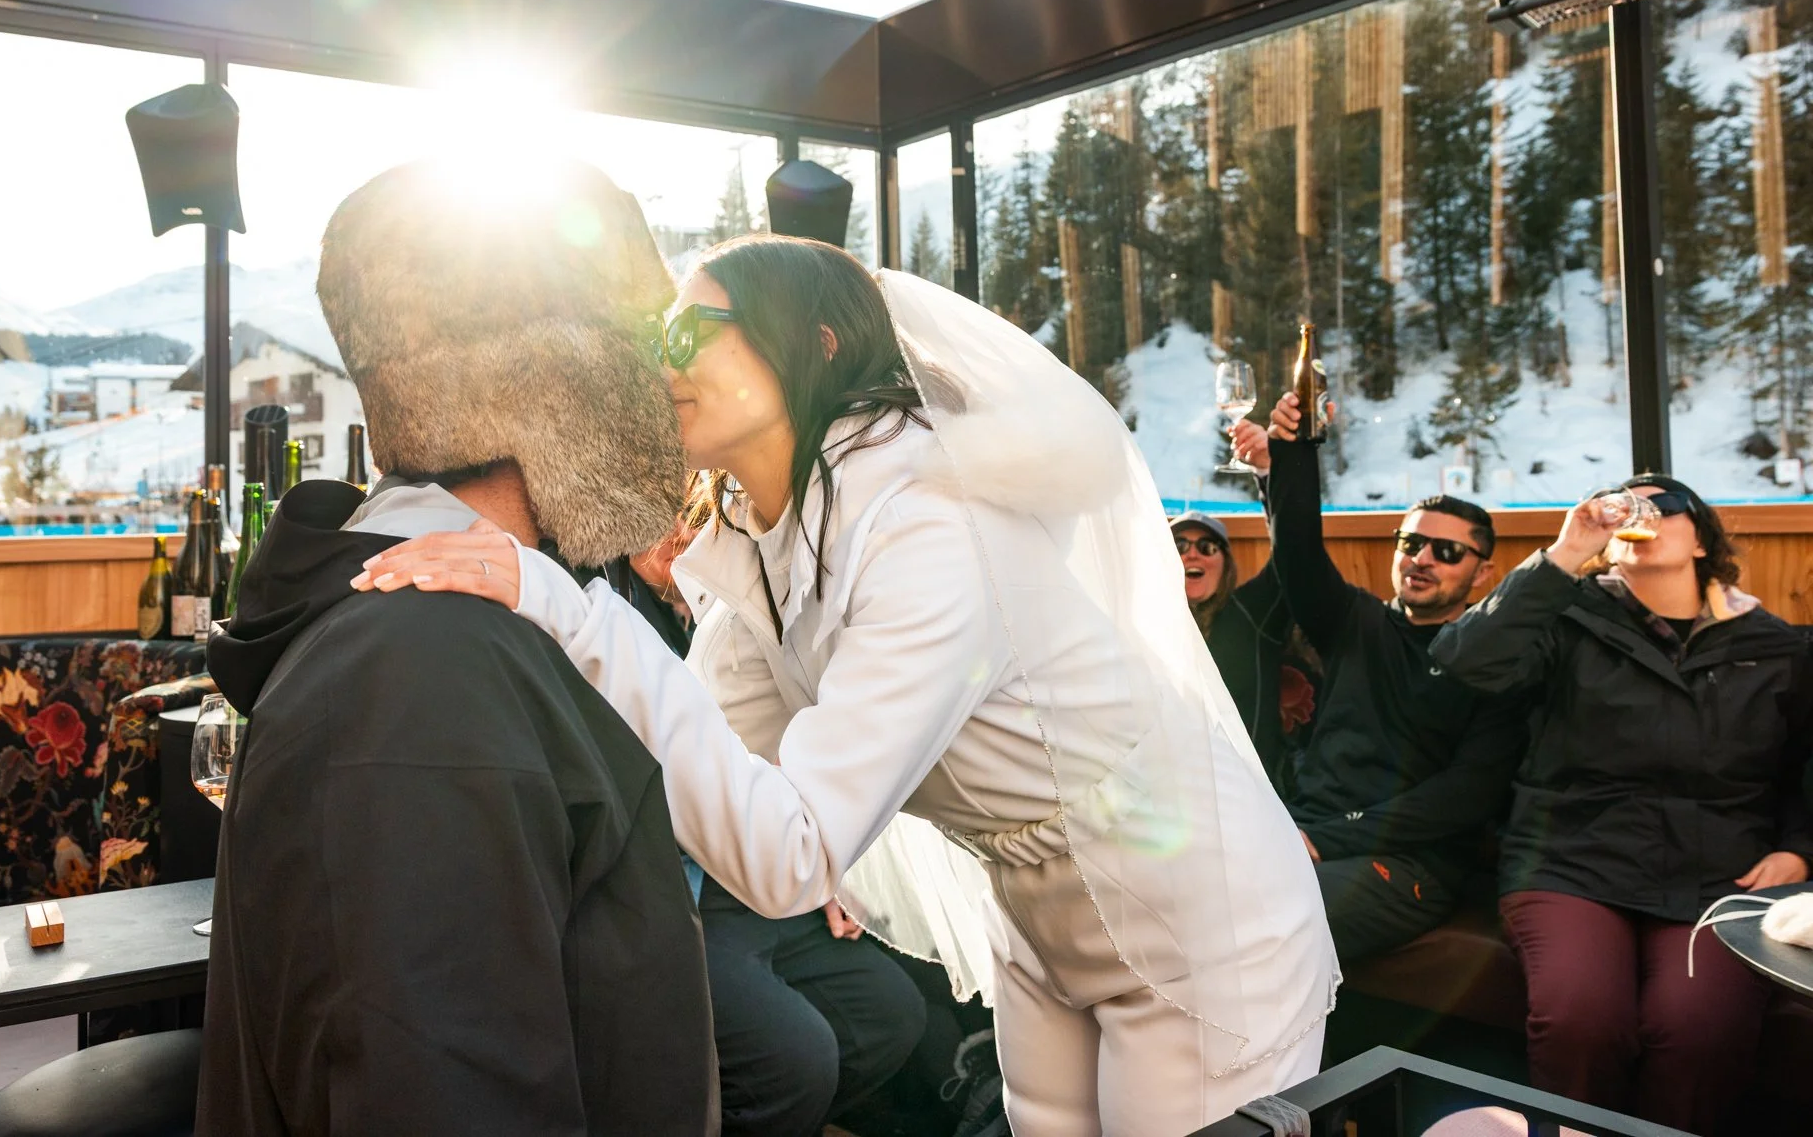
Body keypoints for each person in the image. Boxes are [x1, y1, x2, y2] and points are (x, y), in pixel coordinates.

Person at [359, 236, 1339, 1136]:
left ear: (814, 343)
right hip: (1036, 916)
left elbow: (791, 854)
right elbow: (697, 772)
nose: (662, 360)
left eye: (690, 329)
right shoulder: (765, 545)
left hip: (1196, 916)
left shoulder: (925, 522)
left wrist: (566, 609)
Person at [194, 161, 717, 1136]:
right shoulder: (425, 679)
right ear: (560, 384)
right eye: (644, 348)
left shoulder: (474, 623)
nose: (670, 388)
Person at [1430, 475, 1813, 1135]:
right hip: (1573, 863)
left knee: (1700, 1031)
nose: (1641, 515)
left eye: (1663, 506)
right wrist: (1563, 554)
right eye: (1623, 505)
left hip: (1717, 876)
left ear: (1702, 540)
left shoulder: (1774, 647)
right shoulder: (1567, 621)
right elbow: (1461, 660)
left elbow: (1803, 766)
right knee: (1582, 1019)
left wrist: (1800, 848)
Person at [618, 529, 930, 1137]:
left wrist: (835, 867)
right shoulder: (610, 604)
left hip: (761, 872)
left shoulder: (744, 594)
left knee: (892, 1015)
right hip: (675, 885)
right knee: (795, 1061)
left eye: (700, 517)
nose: (687, 535)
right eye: (675, 517)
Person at [1260, 391, 1528, 963]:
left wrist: (1324, 842)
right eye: (1411, 542)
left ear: (1483, 574)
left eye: (1447, 550)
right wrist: (1294, 451)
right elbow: (1298, 552)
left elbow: (1462, 797)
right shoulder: (1357, 623)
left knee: (1268, 916)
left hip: (1409, 862)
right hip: (1298, 830)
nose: (1422, 558)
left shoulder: (1498, 661)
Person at [1172, 504, 1318, 793]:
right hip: (1171, 794)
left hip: (1247, 793)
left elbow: (1294, 547)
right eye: (1179, 545)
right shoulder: (1145, 625)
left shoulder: (1250, 616)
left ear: (1226, 563)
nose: (1192, 553)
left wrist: (1266, 475)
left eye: (1206, 546)